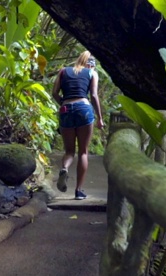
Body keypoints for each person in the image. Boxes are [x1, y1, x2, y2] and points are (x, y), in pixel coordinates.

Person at [51, 51, 104, 200]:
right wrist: (100, 118)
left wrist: (64, 104)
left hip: (66, 109)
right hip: (84, 108)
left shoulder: (63, 71)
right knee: (83, 152)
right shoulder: (91, 73)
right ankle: (79, 191)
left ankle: (64, 168)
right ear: (90, 63)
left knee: (69, 151)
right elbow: (93, 95)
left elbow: (54, 93)